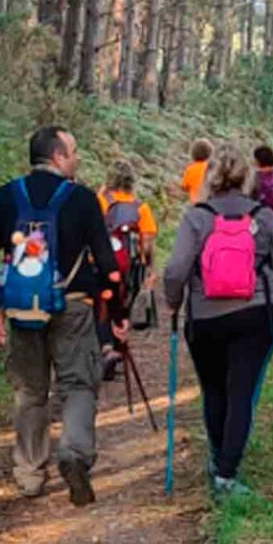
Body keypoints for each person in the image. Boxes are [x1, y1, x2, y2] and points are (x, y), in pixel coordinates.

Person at [0, 126, 128, 507]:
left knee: (30, 389)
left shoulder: (6, 197)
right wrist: (117, 314)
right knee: (79, 383)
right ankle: (74, 452)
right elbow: (108, 265)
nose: (77, 158)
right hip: (74, 306)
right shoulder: (82, 199)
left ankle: (29, 473)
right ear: (57, 156)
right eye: (73, 151)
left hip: (22, 308)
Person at [163, 144, 273, 498]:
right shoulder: (264, 217)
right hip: (255, 316)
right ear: (246, 177)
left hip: (204, 318)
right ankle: (226, 473)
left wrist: (174, 304)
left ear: (210, 177)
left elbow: (175, 270)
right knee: (241, 392)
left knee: (214, 390)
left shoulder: (196, 217)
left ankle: (218, 458)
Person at [96, 160, 159, 380]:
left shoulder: (101, 201)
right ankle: (118, 349)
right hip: (130, 266)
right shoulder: (141, 208)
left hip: (103, 263)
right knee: (123, 306)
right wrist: (148, 266)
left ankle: (105, 348)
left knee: (103, 305)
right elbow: (147, 242)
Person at [181, 139, 213, 203]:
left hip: (195, 203)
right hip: (210, 203)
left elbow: (184, 187)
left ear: (193, 153)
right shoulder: (211, 169)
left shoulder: (189, 170)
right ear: (209, 154)